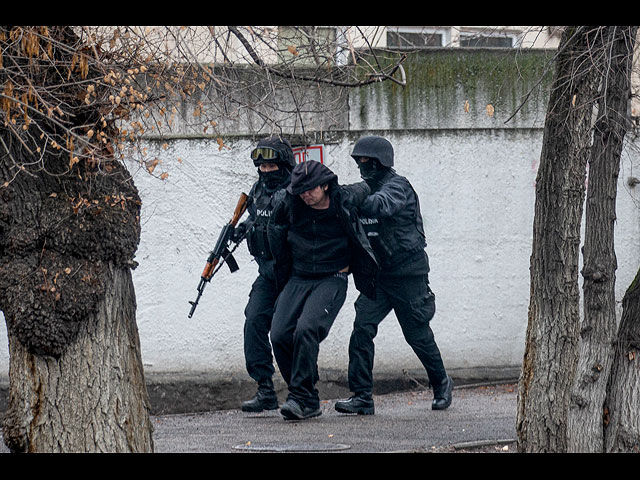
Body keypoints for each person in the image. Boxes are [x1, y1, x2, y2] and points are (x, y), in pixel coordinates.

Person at [334, 135, 453, 415]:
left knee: (417, 334)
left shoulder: (398, 187)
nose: (362, 166)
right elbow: (351, 195)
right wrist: (335, 195)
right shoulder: (366, 187)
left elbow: (380, 205)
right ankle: (362, 396)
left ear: (380, 162)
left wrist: (354, 199)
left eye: (366, 161)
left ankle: (441, 383)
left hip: (408, 276)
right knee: (362, 329)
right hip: (379, 276)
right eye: (359, 162)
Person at [268, 160, 378, 420]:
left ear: (326, 185)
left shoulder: (344, 199)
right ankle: (307, 397)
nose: (305, 194)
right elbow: (274, 228)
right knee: (280, 334)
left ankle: (299, 397)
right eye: (300, 190)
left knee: (307, 329)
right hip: (299, 276)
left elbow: (368, 187)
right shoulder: (290, 202)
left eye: (311, 189)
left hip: (332, 277)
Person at [233, 136, 295, 413]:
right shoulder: (258, 189)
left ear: (284, 164)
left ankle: (301, 391)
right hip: (268, 273)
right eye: (263, 167)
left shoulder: (297, 190)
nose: (267, 171)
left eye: (272, 166)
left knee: (288, 333)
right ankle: (265, 389)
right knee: (254, 321)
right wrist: (243, 228)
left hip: (294, 275)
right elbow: (256, 216)